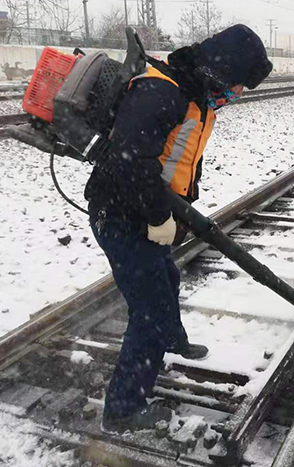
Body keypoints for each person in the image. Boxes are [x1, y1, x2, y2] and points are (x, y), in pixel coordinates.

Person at [84, 25, 273, 433]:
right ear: (221, 72)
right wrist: (157, 218)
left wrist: (180, 209)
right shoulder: (162, 91)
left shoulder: (193, 94)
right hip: (120, 214)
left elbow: (176, 158)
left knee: (166, 278)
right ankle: (123, 410)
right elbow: (132, 161)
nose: (237, 94)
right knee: (149, 310)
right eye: (238, 85)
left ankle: (171, 342)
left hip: (144, 209)